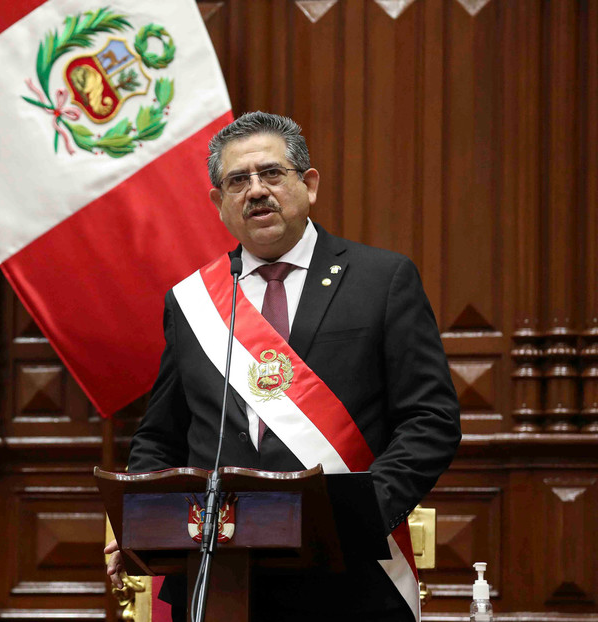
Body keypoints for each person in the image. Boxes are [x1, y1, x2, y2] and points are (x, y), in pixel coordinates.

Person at [104, 112, 461, 621]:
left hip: (346, 575)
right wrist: (137, 518)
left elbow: (432, 420)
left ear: (308, 184)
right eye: (237, 181)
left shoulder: (381, 281)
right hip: (217, 574)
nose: (255, 191)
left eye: (271, 174)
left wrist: (364, 513)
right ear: (218, 203)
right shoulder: (191, 302)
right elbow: (161, 434)